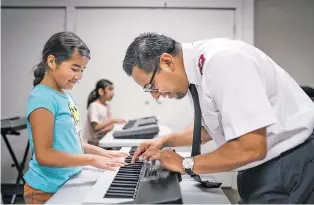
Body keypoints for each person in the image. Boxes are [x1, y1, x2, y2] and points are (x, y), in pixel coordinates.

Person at [122, 33, 314, 203]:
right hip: (262, 167)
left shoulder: (223, 61)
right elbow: (210, 128)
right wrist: (165, 141)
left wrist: (185, 164)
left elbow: (252, 147)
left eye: (151, 86)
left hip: (289, 166)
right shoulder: (196, 73)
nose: (156, 95)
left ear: (167, 62)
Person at [24, 32, 128, 204]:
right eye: (74, 69)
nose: (79, 76)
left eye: (82, 70)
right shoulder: (42, 97)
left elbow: (75, 144)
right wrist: (91, 160)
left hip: (68, 182)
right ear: (52, 62)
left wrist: (107, 155)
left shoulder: (66, 96)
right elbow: (44, 155)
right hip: (46, 190)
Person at [83, 79, 126, 143]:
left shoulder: (107, 105)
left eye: (113, 90)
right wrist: (113, 121)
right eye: (110, 89)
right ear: (101, 91)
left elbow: (105, 126)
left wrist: (112, 126)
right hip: (91, 143)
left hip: (101, 141)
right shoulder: (94, 106)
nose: (113, 92)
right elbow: (96, 128)